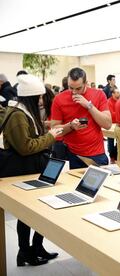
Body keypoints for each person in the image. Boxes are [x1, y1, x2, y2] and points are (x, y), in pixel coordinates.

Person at [2, 74, 62, 266]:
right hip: (23, 170)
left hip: (28, 169)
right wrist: (50, 137)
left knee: (35, 212)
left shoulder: (21, 110)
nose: (41, 101)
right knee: (28, 215)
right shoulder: (19, 115)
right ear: (31, 97)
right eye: (39, 97)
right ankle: (25, 252)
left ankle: (35, 248)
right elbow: (25, 147)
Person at [50, 67, 112, 168]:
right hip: (71, 154)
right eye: (71, 87)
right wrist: (71, 126)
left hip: (96, 154)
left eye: (78, 88)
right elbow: (54, 131)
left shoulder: (98, 94)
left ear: (86, 83)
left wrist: (89, 106)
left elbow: (107, 125)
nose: (74, 92)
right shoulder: (59, 99)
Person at [107, 87, 120, 163]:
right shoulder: (109, 102)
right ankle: (111, 156)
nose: (119, 94)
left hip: (119, 124)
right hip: (111, 124)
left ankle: (116, 155)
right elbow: (111, 114)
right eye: (117, 93)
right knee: (110, 140)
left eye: (119, 92)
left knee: (119, 141)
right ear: (113, 94)